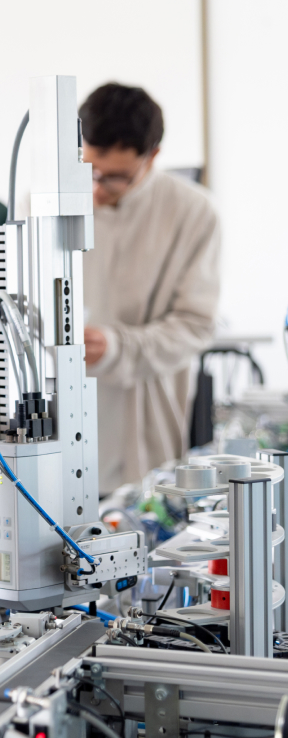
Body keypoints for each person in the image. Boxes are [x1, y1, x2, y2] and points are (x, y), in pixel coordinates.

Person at [79, 83, 220, 491]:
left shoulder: (194, 213)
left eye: (116, 177)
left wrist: (118, 347)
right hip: (58, 437)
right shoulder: (42, 205)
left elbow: (195, 326)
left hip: (144, 437)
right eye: (90, 170)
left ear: (153, 156)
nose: (97, 187)